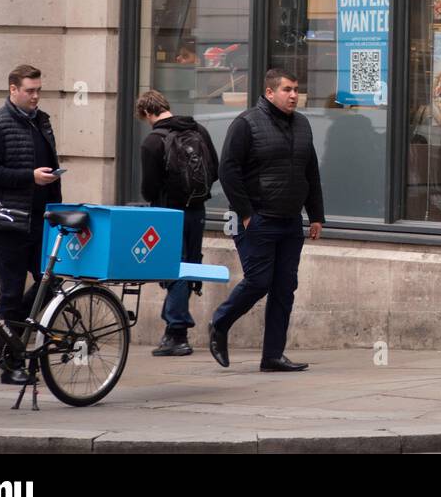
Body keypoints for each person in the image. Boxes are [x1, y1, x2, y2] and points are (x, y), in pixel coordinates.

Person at [209, 69, 323, 372]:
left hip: (290, 220)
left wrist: (316, 215)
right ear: (270, 93)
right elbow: (228, 171)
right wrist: (246, 214)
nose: (294, 95)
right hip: (257, 219)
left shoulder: (302, 125)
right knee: (259, 281)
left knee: (285, 287)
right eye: (287, 89)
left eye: (296, 89)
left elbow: (310, 171)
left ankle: (273, 356)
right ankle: (220, 322)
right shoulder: (246, 123)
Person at [0, 64, 62, 385]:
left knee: (50, 283)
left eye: (38, 90)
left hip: (40, 219)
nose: (36, 96)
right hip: (9, 222)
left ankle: (4, 339)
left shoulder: (42, 121)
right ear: (13, 89)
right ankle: (11, 365)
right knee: (11, 292)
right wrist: (30, 177)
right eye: (30, 90)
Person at [135, 89, 219, 356]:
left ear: (147, 112)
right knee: (188, 266)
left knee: (174, 267)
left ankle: (177, 333)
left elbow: (149, 188)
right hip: (197, 208)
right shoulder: (199, 130)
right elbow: (214, 169)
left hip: (168, 211)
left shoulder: (152, 141)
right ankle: (173, 328)